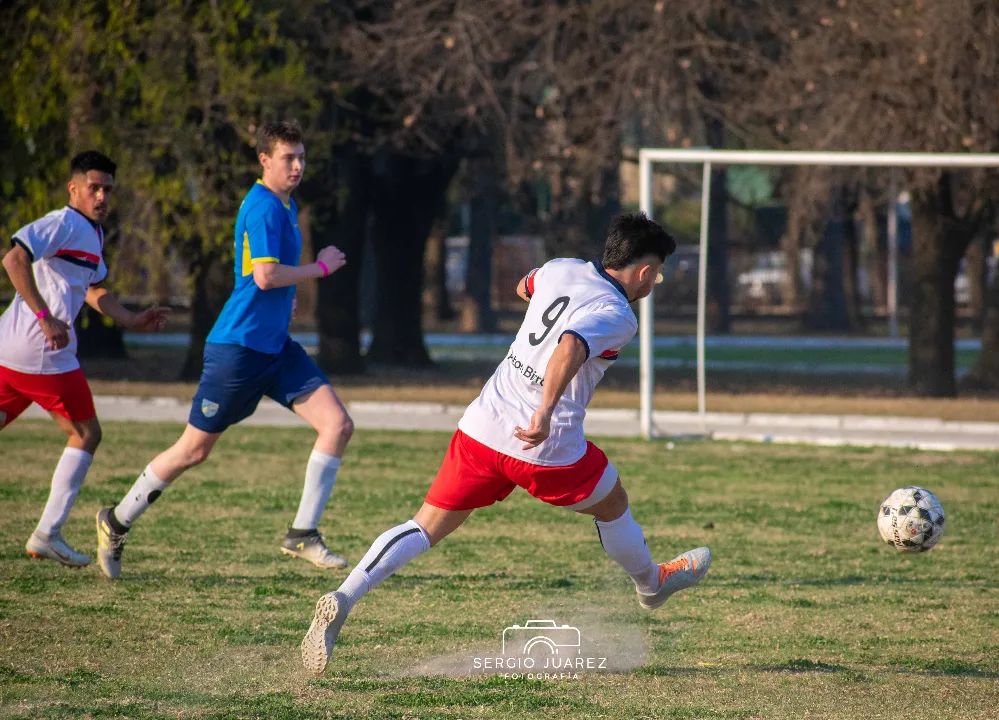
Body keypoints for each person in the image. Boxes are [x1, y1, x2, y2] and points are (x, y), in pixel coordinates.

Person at [300, 212, 712, 674]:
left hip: (482, 428)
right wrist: (544, 410)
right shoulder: (618, 315)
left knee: (425, 524)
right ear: (641, 270)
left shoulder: (560, 268)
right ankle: (651, 584)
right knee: (613, 502)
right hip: (545, 448)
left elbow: (525, 287)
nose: (655, 281)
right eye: (656, 271)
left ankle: (344, 595)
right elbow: (571, 345)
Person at [95, 120, 353, 579]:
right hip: (237, 351)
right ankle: (115, 521)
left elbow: (264, 281)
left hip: (274, 348)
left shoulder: (284, 206)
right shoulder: (264, 208)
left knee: (337, 425)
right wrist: (321, 268)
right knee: (193, 450)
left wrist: (282, 308)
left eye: (302, 157)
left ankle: (303, 533)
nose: (297, 165)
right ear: (264, 160)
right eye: (288, 157)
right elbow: (265, 276)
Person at [1, 151, 171, 567]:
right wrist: (45, 318)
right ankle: (47, 533)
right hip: (44, 352)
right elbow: (13, 258)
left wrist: (131, 318)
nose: (101, 196)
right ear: (72, 189)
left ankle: (47, 534)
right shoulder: (64, 222)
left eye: (107, 189)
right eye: (93, 187)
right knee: (86, 433)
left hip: (9, 348)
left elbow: (93, 290)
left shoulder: (91, 235)